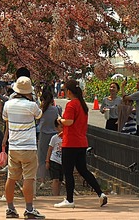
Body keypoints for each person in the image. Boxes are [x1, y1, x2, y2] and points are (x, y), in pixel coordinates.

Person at [54, 79, 108, 209]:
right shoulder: (82, 105)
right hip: (81, 142)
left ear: (69, 91)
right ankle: (100, 193)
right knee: (83, 169)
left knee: (68, 171)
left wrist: (60, 119)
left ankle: (69, 199)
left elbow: (69, 121)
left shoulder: (72, 105)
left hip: (70, 143)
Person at [1, 76, 44, 219]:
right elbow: (39, 115)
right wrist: (34, 100)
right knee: (29, 178)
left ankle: (10, 208)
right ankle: (29, 209)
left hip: (13, 147)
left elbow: (5, 118)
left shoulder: (8, 104)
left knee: (11, 178)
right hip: (29, 147)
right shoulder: (31, 105)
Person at [36, 87, 62, 182]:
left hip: (43, 135)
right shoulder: (56, 109)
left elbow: (37, 122)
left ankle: (42, 178)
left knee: (42, 157)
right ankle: (53, 177)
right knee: (53, 156)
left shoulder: (41, 110)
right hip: (54, 135)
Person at [45, 118, 64, 196]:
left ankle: (58, 194)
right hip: (54, 160)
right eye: (61, 127)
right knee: (55, 179)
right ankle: (55, 195)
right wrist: (47, 161)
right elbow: (50, 149)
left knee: (60, 180)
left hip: (63, 161)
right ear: (56, 128)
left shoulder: (67, 137)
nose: (63, 129)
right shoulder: (54, 138)